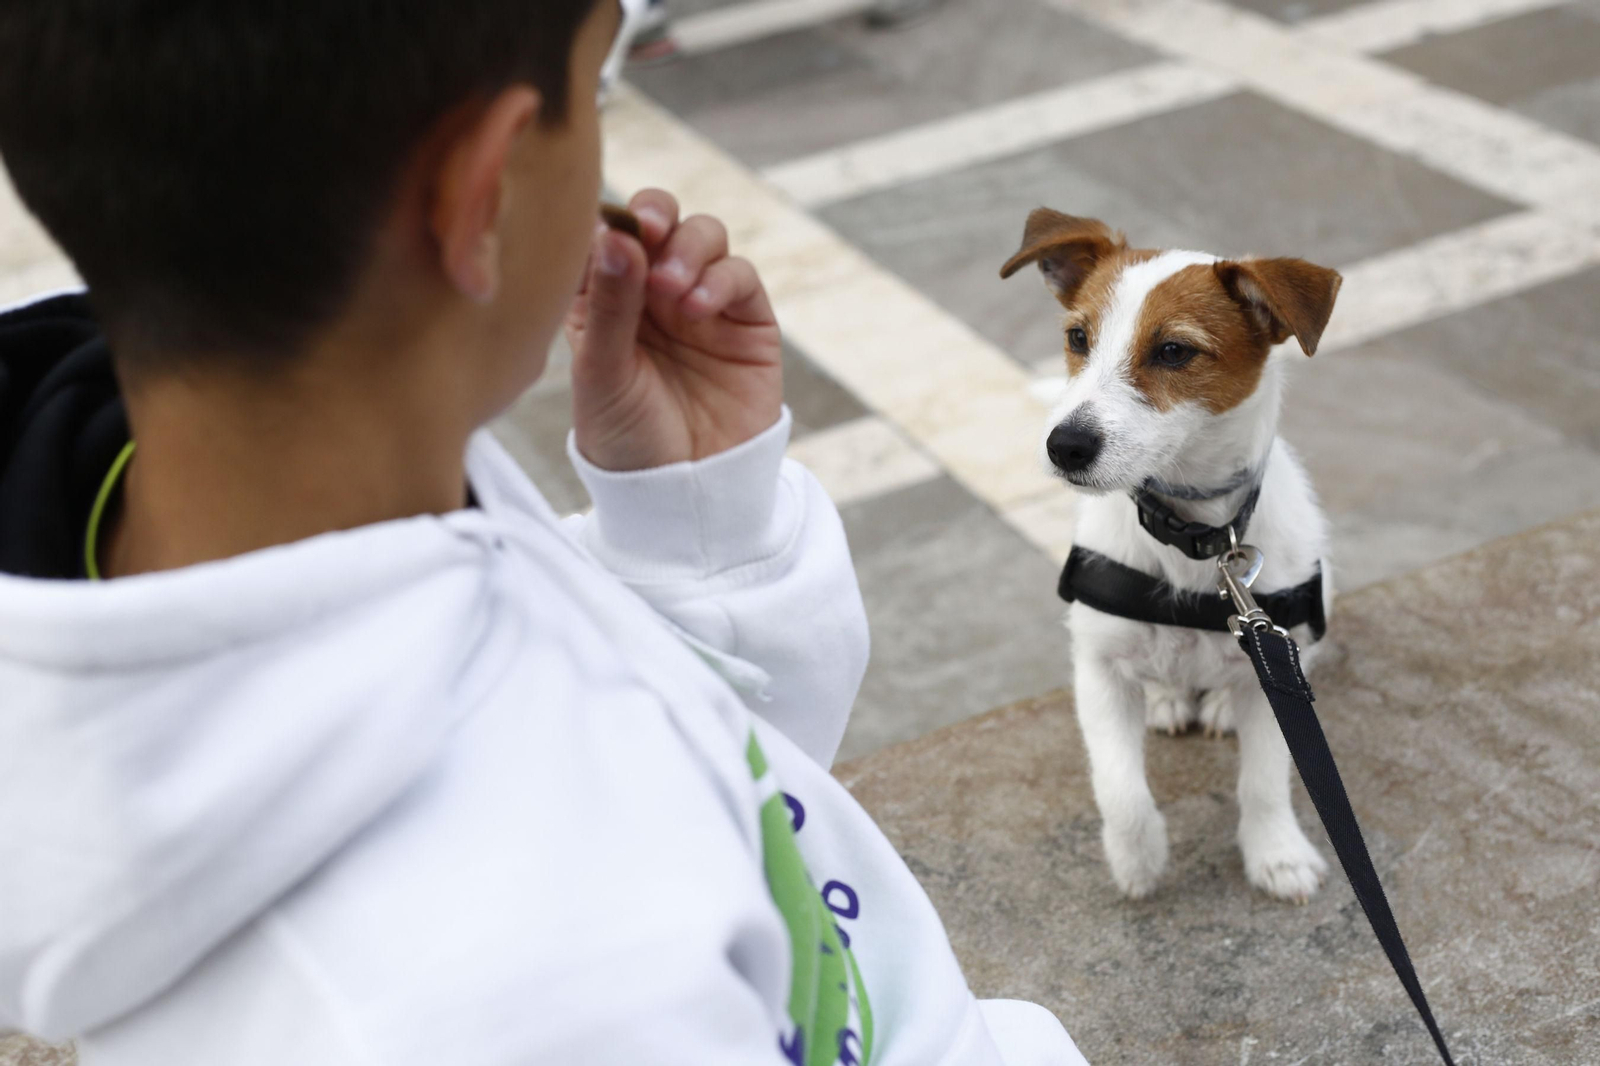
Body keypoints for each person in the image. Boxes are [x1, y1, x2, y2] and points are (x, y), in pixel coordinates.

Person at [0, 2, 1089, 1063]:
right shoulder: (537, 1001)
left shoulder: (311, 477)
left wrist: (688, 509)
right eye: (593, 89)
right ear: (484, 194)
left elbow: (675, 770)